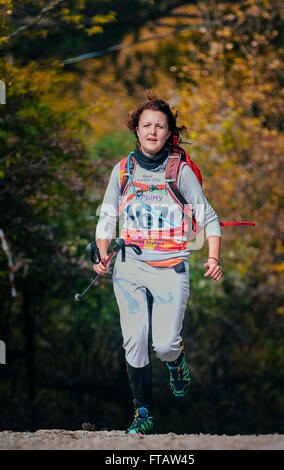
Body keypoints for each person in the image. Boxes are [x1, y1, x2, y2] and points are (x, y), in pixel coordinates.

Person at [94, 90, 223, 434]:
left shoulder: (178, 172)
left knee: (164, 345)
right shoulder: (122, 170)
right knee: (134, 339)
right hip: (129, 266)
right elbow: (106, 216)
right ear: (135, 129)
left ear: (169, 133)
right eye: (146, 125)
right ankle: (142, 412)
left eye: (160, 126)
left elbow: (209, 217)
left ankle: (177, 362)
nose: (152, 131)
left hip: (171, 267)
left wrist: (213, 256)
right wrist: (102, 250)